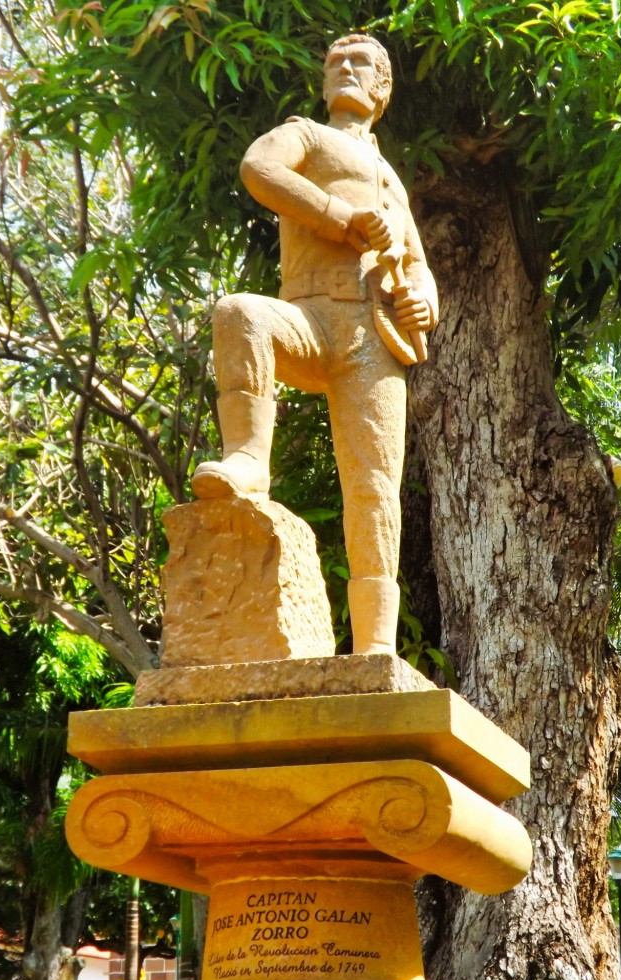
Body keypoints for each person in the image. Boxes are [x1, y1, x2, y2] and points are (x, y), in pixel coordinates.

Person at [192, 34, 438, 655]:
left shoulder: (394, 182)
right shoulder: (306, 134)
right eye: (335, 65)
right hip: (311, 317)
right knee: (239, 313)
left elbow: (418, 265)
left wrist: (422, 303)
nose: (346, 71)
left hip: (376, 340)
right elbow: (258, 169)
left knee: (375, 487)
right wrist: (338, 217)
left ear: (382, 89)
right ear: (324, 84)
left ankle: (376, 644)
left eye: (360, 65)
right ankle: (248, 458)